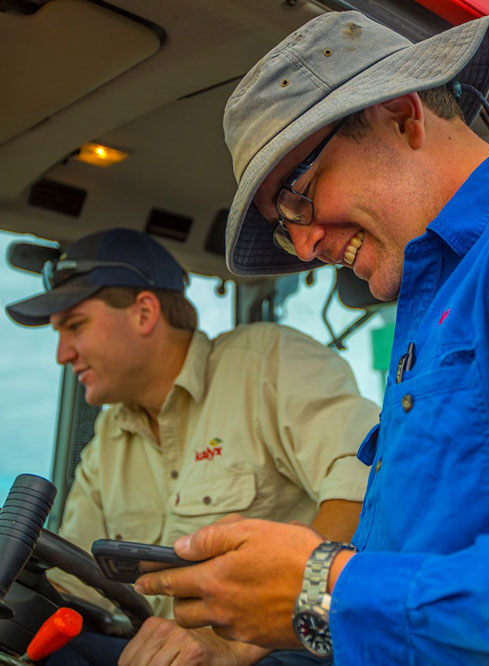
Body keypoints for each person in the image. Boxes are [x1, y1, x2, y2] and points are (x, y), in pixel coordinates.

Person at [133, 8, 489, 665]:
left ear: (402, 115)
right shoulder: (430, 313)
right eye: (283, 228)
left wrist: (322, 594)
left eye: (298, 196)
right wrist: (243, 636)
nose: (305, 246)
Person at [5, 227, 379, 666]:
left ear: (144, 313)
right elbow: (80, 583)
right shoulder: (108, 441)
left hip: (283, 648)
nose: (62, 354)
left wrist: (240, 642)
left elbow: (367, 490)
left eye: (75, 326)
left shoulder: (268, 364)